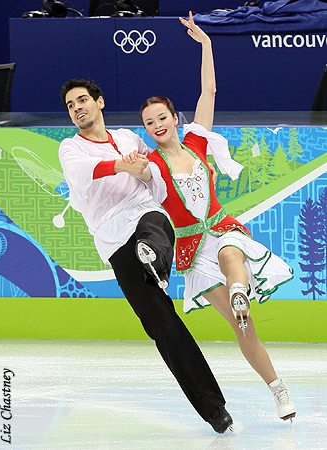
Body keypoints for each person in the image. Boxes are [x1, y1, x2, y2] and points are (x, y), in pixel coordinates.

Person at [123, 11, 296, 421]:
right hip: (190, 247)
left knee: (231, 254)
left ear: (175, 118)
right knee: (243, 328)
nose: (157, 125)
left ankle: (240, 291)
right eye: (149, 123)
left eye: (162, 117)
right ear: (147, 130)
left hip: (220, 228)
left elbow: (209, 91)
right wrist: (128, 163)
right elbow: (133, 171)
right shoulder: (151, 164)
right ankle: (278, 388)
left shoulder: (198, 142)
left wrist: (207, 44)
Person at [57, 76, 233, 432]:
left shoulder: (127, 138)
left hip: (143, 214)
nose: (77, 108)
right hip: (112, 237)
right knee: (161, 325)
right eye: (71, 105)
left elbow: (156, 171)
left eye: (82, 100)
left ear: (99, 102)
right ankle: (213, 407)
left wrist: (149, 168)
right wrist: (123, 166)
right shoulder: (70, 147)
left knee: (154, 224)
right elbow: (80, 173)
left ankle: (155, 260)